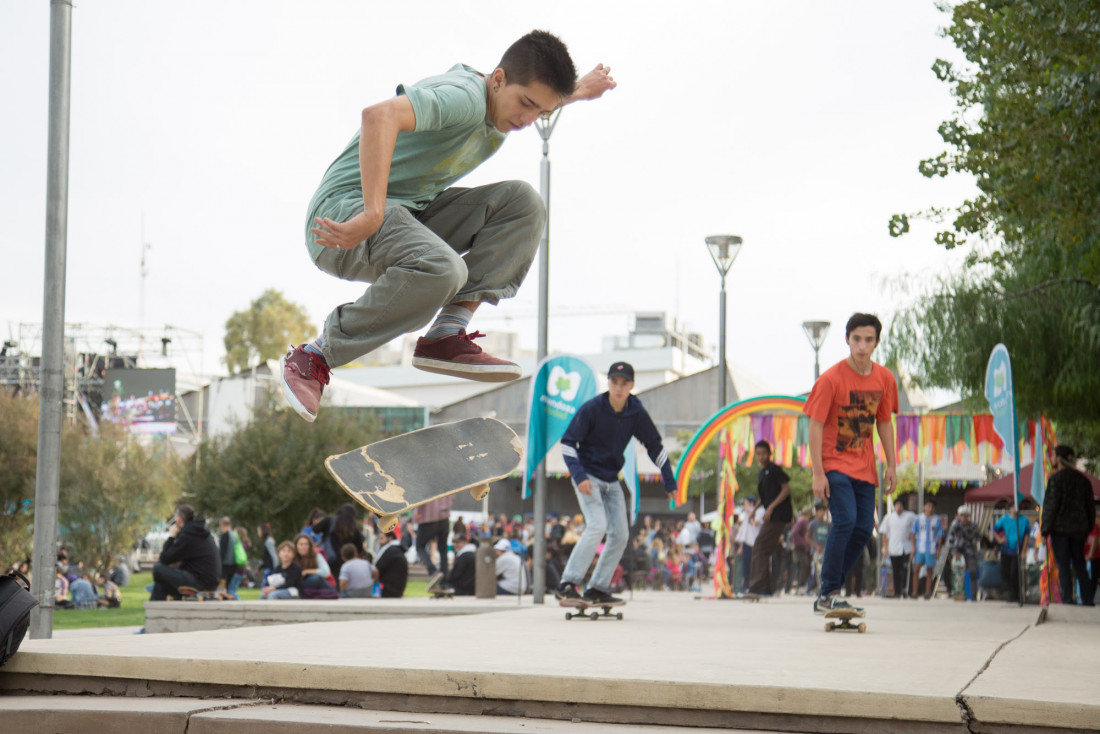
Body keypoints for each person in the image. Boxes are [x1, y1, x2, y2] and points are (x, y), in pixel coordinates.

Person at [281, 30, 616, 422]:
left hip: (408, 215)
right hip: (344, 214)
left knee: (524, 204)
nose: (527, 121)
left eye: (540, 113)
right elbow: (379, 116)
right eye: (525, 105)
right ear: (498, 79)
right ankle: (315, 356)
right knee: (445, 268)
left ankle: (446, 333)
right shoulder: (464, 98)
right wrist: (372, 213)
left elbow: (541, 96)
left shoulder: (510, 101)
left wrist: (576, 91)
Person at [554, 361, 678, 607]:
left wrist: (668, 479)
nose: (619, 388)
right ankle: (567, 584)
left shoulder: (635, 412)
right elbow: (568, 444)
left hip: (612, 480)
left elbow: (655, 445)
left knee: (621, 535)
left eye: (624, 384)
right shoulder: (592, 408)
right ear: (608, 383)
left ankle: (597, 588)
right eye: (614, 382)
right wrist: (579, 476)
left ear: (632, 386)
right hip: (589, 477)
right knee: (597, 526)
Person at [804, 313, 898, 614]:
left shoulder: (884, 379)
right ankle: (829, 591)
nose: (862, 346)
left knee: (862, 528)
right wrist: (818, 473)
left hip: (865, 467)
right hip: (834, 463)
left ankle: (827, 591)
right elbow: (815, 426)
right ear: (847, 339)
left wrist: (892, 467)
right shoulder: (831, 378)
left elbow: (884, 423)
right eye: (856, 339)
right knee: (844, 521)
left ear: (877, 342)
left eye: (868, 340)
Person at [1041, 444, 1096, 606]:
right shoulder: (1083, 481)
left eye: (1053, 456)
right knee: (1080, 564)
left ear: (1059, 459)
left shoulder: (1056, 480)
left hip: (1060, 531)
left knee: (1063, 565)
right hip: (1079, 530)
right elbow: (1090, 508)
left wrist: (1045, 531)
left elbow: (1050, 507)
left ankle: (1067, 599)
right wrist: (1088, 528)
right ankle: (1087, 599)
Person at [748, 441, 793, 596]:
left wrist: (772, 507)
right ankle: (765, 588)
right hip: (771, 514)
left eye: (763, 453)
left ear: (769, 454)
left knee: (759, 546)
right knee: (764, 549)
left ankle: (757, 585)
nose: (761, 456)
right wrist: (754, 510)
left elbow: (786, 489)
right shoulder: (762, 473)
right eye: (758, 454)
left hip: (779, 515)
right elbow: (764, 496)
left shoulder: (774, 469)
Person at [150, 504, 221, 601]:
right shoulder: (200, 531)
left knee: (158, 569)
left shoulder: (188, 534)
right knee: (161, 584)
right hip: (210, 581)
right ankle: (157, 614)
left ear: (179, 520)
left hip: (200, 582)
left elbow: (165, 559)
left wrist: (171, 537)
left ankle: (154, 615)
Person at [993, 504, 1031, 602]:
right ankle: (1010, 594)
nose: (1015, 509)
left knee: (1015, 572)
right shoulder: (1004, 519)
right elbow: (995, 530)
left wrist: (1024, 551)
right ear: (1010, 508)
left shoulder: (1024, 520)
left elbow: (1027, 536)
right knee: (1005, 573)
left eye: (1017, 507)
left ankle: (1016, 595)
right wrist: (999, 539)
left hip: (1017, 550)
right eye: (1013, 507)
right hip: (1006, 549)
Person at [414, 495, 454, 588]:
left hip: (428, 517)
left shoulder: (426, 481)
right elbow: (452, 496)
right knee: (443, 549)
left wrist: (418, 511)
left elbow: (421, 495)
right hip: (444, 517)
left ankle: (433, 571)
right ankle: (444, 582)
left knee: (419, 546)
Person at [880, 497, 917, 598]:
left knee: (905, 571)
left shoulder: (910, 516)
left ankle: (905, 590)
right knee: (896, 571)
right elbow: (883, 532)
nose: (899, 507)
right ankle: (897, 592)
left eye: (901, 505)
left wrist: (913, 538)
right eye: (897, 505)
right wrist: (885, 547)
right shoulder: (889, 517)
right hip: (894, 548)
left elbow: (916, 526)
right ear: (894, 506)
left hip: (906, 548)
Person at [946, 506, 981, 600]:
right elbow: (950, 538)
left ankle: (973, 595)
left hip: (970, 550)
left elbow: (978, 537)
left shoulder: (973, 526)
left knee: (972, 571)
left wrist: (975, 545)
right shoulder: (955, 524)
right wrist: (953, 551)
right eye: (961, 516)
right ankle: (959, 594)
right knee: (958, 573)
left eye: (965, 516)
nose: (963, 518)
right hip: (958, 550)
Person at [912, 499, 944, 598]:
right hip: (920, 547)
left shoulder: (937, 519)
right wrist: (914, 547)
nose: (930, 508)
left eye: (932, 506)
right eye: (928, 505)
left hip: (931, 548)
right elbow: (913, 532)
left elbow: (939, 535)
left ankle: (927, 592)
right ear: (924, 507)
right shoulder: (918, 518)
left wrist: (938, 549)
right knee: (916, 569)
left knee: (929, 571)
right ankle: (914, 592)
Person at [733, 496, 760, 593]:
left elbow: (755, 524)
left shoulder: (756, 512)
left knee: (750, 566)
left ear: (751, 504)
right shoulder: (746, 515)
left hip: (753, 543)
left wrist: (750, 514)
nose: (745, 506)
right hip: (746, 543)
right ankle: (744, 586)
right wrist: (741, 545)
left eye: (746, 503)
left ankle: (749, 586)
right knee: (745, 566)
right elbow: (743, 531)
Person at [374, 528, 409, 598]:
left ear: (390, 538)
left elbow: (377, 569)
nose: (379, 542)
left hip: (388, 590)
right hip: (397, 589)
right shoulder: (397, 550)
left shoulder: (390, 551)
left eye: (382, 538)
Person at [217, 517, 242, 600]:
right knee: (228, 587)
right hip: (234, 564)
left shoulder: (225, 535)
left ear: (221, 525)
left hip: (225, 565)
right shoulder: (235, 535)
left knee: (222, 587)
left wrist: (218, 563)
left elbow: (222, 551)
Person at [790, 507, 813, 594]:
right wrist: (804, 543)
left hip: (801, 547)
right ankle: (801, 586)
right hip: (800, 547)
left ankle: (801, 586)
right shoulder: (802, 521)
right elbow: (795, 533)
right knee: (804, 565)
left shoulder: (802, 521)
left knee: (803, 566)